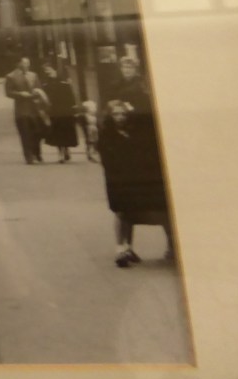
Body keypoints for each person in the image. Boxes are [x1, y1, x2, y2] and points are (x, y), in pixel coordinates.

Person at [97, 99, 173, 267]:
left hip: (135, 179)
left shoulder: (135, 132)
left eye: (123, 114)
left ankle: (170, 246)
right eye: (116, 114)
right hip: (117, 180)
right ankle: (121, 248)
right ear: (110, 116)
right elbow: (107, 160)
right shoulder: (106, 135)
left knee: (154, 211)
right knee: (122, 212)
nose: (120, 117)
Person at [4, 56, 45, 164]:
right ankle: (28, 156)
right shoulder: (11, 76)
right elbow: (8, 92)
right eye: (24, 63)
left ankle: (37, 152)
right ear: (19, 64)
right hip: (22, 110)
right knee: (25, 133)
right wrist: (20, 94)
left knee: (37, 132)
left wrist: (37, 93)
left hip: (35, 109)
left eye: (28, 63)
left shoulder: (34, 75)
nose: (27, 65)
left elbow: (39, 89)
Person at [42, 63, 79, 162]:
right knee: (57, 133)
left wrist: (74, 109)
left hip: (66, 111)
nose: (48, 73)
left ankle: (66, 149)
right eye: (46, 71)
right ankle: (61, 152)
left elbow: (71, 98)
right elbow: (44, 100)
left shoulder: (65, 84)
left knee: (66, 132)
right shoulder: (46, 85)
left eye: (50, 70)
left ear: (55, 71)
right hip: (55, 112)